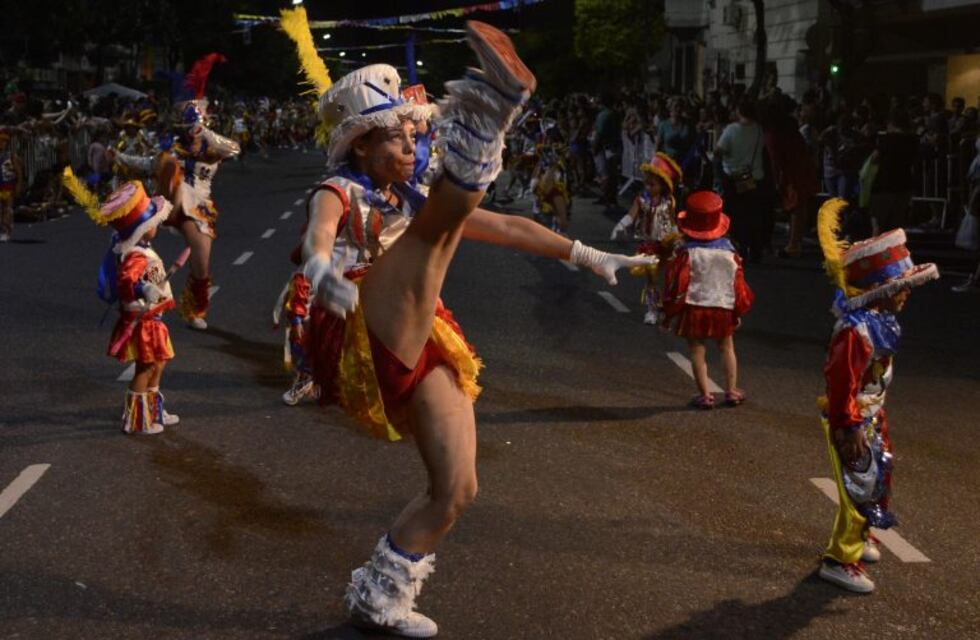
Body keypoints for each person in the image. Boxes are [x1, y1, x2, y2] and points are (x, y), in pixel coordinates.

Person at [278, 11, 652, 637]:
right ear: (362, 145)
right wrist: (321, 275)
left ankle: (380, 596)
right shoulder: (337, 190)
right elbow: (316, 242)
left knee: (456, 488)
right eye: (396, 138)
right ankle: (487, 116)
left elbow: (504, 226)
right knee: (435, 233)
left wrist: (587, 255)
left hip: (424, 329)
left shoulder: (413, 201)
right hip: (360, 326)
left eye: (410, 136)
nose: (408, 147)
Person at [814, 198, 939, 593]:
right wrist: (848, 426)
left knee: (877, 478)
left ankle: (861, 536)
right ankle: (839, 559)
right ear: (879, 289)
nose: (906, 295)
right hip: (851, 420)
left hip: (870, 414)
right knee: (857, 488)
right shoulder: (855, 330)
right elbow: (840, 382)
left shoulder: (878, 320)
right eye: (900, 288)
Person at [112, 53, 240, 330]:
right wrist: (119, 157)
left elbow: (234, 148)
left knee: (201, 265)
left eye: (195, 129)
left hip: (197, 210)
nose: (192, 135)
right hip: (167, 205)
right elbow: (147, 165)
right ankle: (130, 292)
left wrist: (205, 133)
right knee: (130, 242)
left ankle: (195, 310)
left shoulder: (213, 149)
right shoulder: (171, 153)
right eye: (188, 130)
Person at [63, 171, 182, 434]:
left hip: (155, 318)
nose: (157, 224)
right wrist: (144, 288)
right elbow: (127, 281)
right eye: (153, 221)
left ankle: (154, 410)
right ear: (141, 227)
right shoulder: (135, 254)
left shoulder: (141, 247)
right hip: (144, 320)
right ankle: (136, 420)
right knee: (145, 366)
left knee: (159, 362)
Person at [662, 191, 754, 408]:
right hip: (722, 306)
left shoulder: (686, 254)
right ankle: (731, 391)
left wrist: (669, 313)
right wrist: (737, 311)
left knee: (696, 350)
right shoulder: (731, 254)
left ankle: (705, 395)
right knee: (727, 347)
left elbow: (678, 285)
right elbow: (738, 287)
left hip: (695, 307)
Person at [611, 152, 682, 324]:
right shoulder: (641, 200)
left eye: (652, 184)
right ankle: (651, 309)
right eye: (646, 184)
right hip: (650, 244)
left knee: (673, 277)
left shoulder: (669, 201)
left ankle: (668, 308)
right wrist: (620, 226)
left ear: (663, 185)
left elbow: (673, 220)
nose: (648, 187)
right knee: (651, 278)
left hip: (668, 243)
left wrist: (678, 239)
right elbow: (631, 215)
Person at [715, 97, 768, 262]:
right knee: (752, 213)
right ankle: (756, 247)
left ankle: (740, 246)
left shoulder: (731, 130)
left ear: (739, 111)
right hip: (754, 177)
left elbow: (719, 150)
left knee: (736, 214)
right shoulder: (759, 130)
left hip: (734, 176)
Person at [0, 128, 22, 242]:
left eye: (4, 141)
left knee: (8, 208)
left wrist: (18, 185)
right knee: (2, 209)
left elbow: (19, 172)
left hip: (8, 185)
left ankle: (7, 230)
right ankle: (3, 228)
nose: (2, 143)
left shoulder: (12, 155)